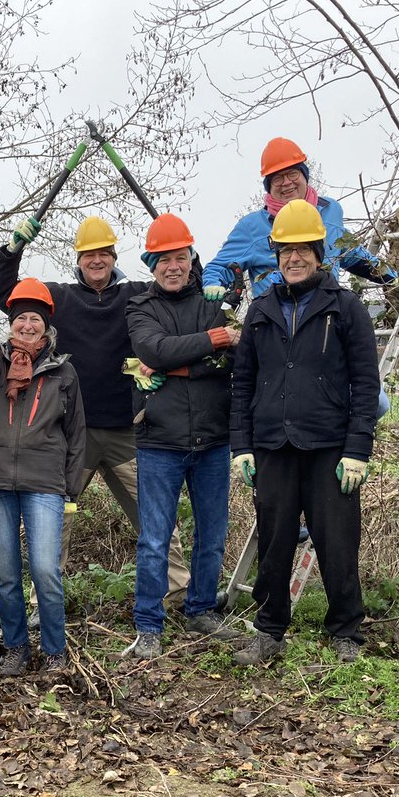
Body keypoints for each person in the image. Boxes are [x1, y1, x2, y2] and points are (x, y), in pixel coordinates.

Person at [0, 214, 192, 610]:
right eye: (88, 255)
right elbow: (3, 294)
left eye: (103, 253)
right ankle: (45, 600)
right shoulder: (59, 298)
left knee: (154, 512)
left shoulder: (137, 294)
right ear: (77, 259)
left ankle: (177, 592)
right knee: (55, 517)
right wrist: (12, 250)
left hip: (125, 431)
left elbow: (179, 286)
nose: (96, 261)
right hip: (69, 434)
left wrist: (189, 260)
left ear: (114, 256)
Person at [229, 200, 380, 666]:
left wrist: (358, 448)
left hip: (330, 447)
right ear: (276, 257)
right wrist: (242, 446)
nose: (293, 259)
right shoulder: (260, 311)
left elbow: (366, 383)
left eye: (303, 250)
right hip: (273, 445)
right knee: (274, 541)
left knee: (337, 541)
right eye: (285, 251)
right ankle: (269, 630)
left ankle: (346, 632)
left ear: (319, 253)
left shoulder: (346, 308)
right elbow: (243, 384)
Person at [0, 276, 86, 675]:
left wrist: (72, 488)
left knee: (45, 569)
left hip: (44, 482)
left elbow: (77, 433)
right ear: (10, 323)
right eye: (20, 319)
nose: (27, 325)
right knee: (6, 573)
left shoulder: (64, 373)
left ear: (47, 326)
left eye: (35, 320)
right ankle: (16, 647)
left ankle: (55, 651)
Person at [124, 214, 240, 660]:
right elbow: (152, 349)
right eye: (163, 259)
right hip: (160, 441)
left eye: (180, 257)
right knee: (154, 538)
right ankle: (149, 625)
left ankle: (201, 609)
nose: (173, 266)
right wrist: (212, 339)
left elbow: (231, 360)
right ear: (151, 264)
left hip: (212, 438)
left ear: (192, 258)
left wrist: (177, 365)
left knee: (212, 533)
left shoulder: (215, 300)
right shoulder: (140, 306)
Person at [201, 137, 398, 299]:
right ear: (269, 186)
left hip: (326, 315)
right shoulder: (252, 227)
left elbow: (351, 253)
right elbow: (219, 267)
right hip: (276, 324)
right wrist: (212, 284)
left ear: (305, 176)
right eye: (277, 178)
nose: (286, 183)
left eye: (293, 173)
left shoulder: (330, 211)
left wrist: (392, 277)